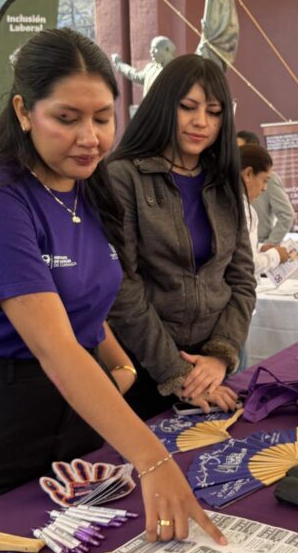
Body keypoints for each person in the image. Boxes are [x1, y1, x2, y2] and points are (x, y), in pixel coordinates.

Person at [0, 27, 225, 550]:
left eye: (103, 117)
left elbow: (89, 298)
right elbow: (54, 344)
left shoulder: (90, 186)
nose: (89, 137)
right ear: (24, 111)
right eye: (67, 119)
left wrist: (118, 361)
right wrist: (152, 456)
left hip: (80, 410)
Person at [107, 53, 255, 420]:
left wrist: (221, 355)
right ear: (164, 106)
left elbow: (242, 280)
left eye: (215, 111)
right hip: (145, 365)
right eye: (188, 107)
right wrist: (177, 372)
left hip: (214, 367)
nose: (201, 122)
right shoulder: (123, 177)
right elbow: (122, 290)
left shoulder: (225, 180)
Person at [239, 144, 289, 277]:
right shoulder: (241, 210)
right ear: (248, 174)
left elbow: (237, 252)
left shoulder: (234, 204)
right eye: (264, 180)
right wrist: (275, 255)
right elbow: (246, 264)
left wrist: (260, 248)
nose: (264, 188)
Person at [236, 129, 294, 245]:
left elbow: (286, 215)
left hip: (258, 243)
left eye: (239, 149)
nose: (234, 153)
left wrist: (270, 243)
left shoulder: (269, 178)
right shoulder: (228, 177)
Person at [111, 36, 177, 101]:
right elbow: (135, 75)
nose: (151, 51)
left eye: (155, 48)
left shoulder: (178, 70)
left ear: (167, 49)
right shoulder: (151, 69)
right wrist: (119, 65)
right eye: (151, 48)